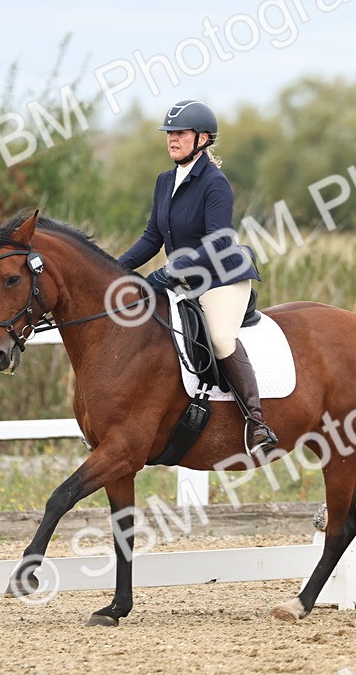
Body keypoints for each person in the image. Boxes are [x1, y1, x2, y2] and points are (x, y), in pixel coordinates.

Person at [116, 99, 279, 455]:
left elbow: (219, 242)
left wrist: (169, 272)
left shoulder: (215, 183)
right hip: (185, 280)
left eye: (181, 133)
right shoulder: (164, 181)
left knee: (220, 337)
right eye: (169, 133)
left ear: (202, 139)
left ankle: (257, 422)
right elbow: (152, 238)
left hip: (222, 278)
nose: (172, 139)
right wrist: (113, 268)